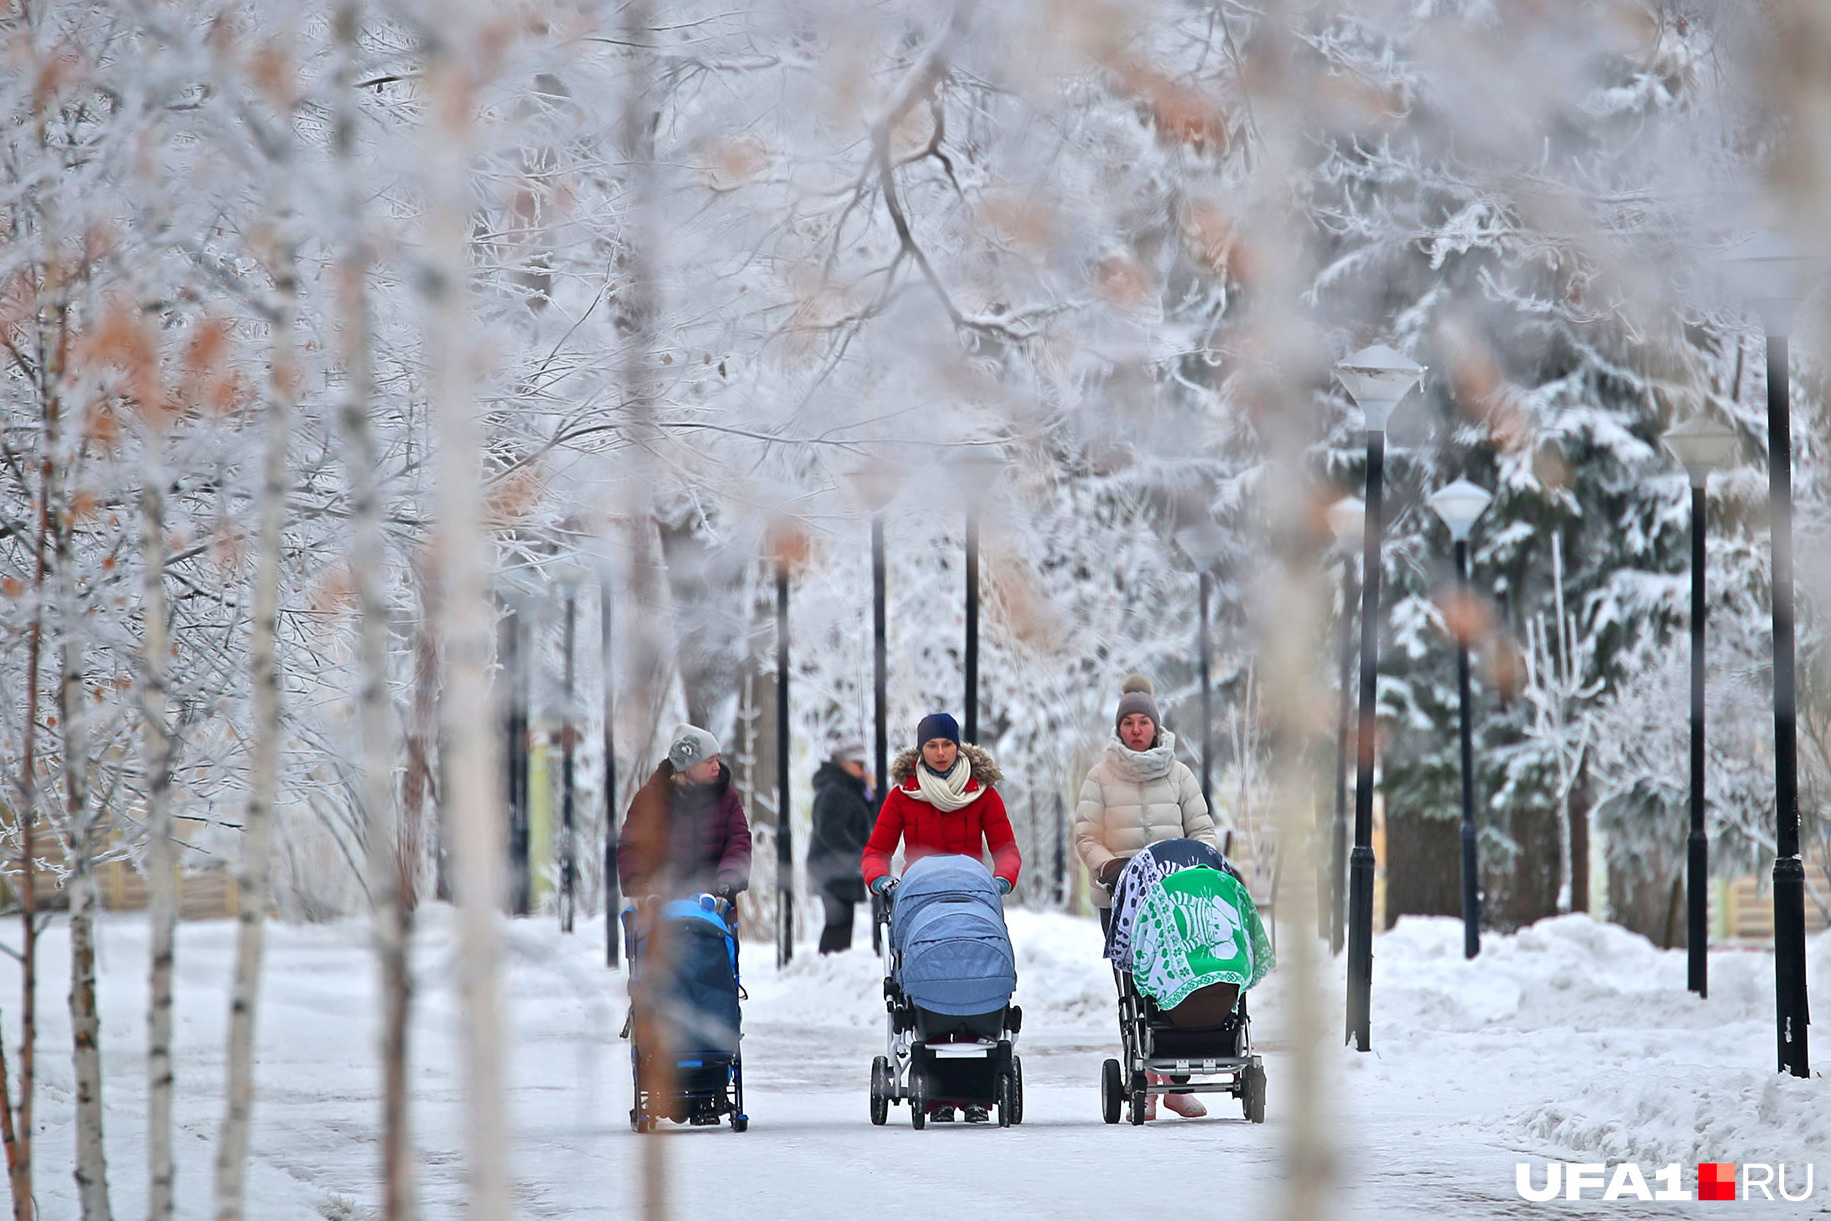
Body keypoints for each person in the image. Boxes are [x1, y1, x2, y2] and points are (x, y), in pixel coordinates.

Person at [1073, 674, 1220, 1119]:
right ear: (1119, 729)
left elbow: (1203, 829)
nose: (1137, 730)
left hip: (1177, 897)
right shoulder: (1099, 778)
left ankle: (1176, 1084)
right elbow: (1086, 834)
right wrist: (1107, 866)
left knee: (1182, 980)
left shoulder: (1179, 775)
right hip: (1123, 897)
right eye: (1129, 723)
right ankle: (1146, 1079)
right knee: (1138, 986)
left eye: (1144, 722)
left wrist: (1201, 862)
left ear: (1156, 727)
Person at [862, 712, 1020, 1123]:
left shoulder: (982, 795)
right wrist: (881, 881)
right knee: (926, 979)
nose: (939, 752)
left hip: (971, 903)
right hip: (920, 903)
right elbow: (875, 852)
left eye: (946, 745)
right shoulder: (902, 797)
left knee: (975, 973)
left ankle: (975, 1094)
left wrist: (1002, 879)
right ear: (921, 750)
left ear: (958, 747)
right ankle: (936, 1095)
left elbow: (1005, 848)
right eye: (931, 746)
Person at [618, 723, 753, 902]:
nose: (717, 767)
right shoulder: (650, 800)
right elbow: (632, 846)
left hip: (714, 905)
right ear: (687, 766)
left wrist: (728, 881)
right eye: (709, 761)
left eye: (717, 759)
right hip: (661, 909)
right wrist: (642, 884)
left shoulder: (727, 799)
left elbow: (739, 842)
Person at [808, 737, 875, 954]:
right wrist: (859, 857)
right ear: (843, 762)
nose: (863, 770)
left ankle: (831, 965)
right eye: (859, 764)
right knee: (838, 924)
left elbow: (874, 820)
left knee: (842, 923)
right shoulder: (835, 790)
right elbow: (831, 832)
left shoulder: (853, 788)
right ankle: (829, 967)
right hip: (833, 868)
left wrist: (873, 795)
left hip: (842, 868)